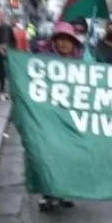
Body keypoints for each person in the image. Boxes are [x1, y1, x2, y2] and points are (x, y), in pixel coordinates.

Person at [35, 22, 82, 212]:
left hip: (72, 119)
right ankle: (48, 194)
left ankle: (64, 192)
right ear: (54, 42)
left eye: (67, 40)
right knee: (50, 156)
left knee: (69, 156)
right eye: (60, 40)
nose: (63, 44)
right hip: (49, 118)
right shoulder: (40, 61)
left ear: (74, 44)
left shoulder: (82, 63)